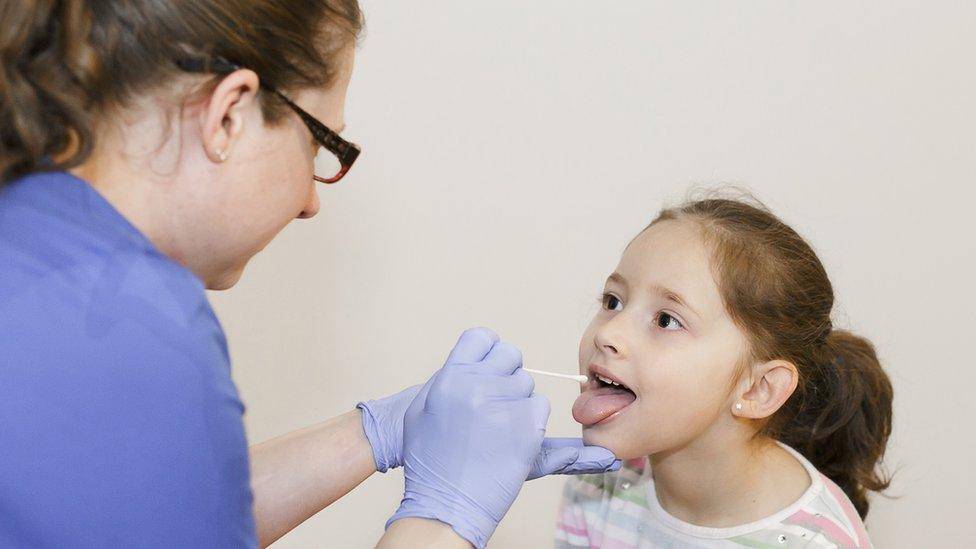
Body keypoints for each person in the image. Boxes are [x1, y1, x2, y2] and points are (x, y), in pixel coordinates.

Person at [0, 2, 618, 548]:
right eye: (320, 146)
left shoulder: (38, 248)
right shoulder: (128, 323)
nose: (310, 201)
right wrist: (447, 516)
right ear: (228, 115)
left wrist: (373, 432)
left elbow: (157, 517)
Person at [555, 196, 893, 548]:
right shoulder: (598, 487)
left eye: (666, 320)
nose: (608, 334)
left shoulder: (815, 543)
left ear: (758, 389)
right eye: (613, 302)